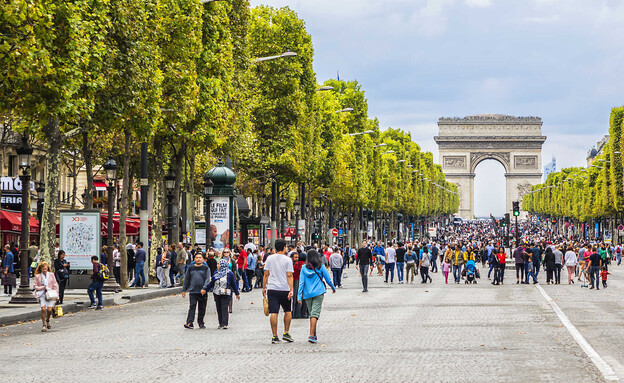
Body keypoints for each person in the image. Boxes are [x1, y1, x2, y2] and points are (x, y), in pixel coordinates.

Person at [297, 249, 336, 344]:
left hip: (307, 294)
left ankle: (314, 335)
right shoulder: (321, 266)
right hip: (318, 292)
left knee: (312, 314)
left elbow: (301, 283)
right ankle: (311, 335)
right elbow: (328, 279)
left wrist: (299, 296)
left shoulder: (303, 268)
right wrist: (333, 287)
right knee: (314, 314)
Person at [262, 239, 295, 344]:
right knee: (287, 311)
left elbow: (266, 274)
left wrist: (264, 287)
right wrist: (291, 289)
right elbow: (289, 275)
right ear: (285, 247)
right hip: (284, 288)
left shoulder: (269, 258)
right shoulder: (288, 260)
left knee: (273, 312)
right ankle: (286, 332)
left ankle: (274, 335)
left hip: (272, 288)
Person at [202, 258, 240, 329]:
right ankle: (220, 323)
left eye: (218, 264)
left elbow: (233, 284)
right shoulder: (216, 273)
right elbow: (212, 283)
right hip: (217, 293)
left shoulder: (229, 274)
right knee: (219, 308)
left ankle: (224, 323)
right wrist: (205, 290)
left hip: (226, 293)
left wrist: (237, 293)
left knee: (224, 307)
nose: (217, 265)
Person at [182, 253, 211, 329]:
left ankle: (201, 322)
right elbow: (187, 279)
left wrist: (204, 288)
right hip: (193, 291)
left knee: (202, 307)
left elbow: (207, 279)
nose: (198, 259)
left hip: (202, 292)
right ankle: (189, 322)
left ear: (202, 259)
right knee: (192, 307)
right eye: (197, 257)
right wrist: (184, 289)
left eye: (200, 257)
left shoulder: (205, 268)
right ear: (194, 259)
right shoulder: (190, 268)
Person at [33, 262, 59, 332]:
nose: (44, 270)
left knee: (49, 309)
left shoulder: (51, 275)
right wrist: (42, 288)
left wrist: (57, 295)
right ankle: (44, 324)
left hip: (50, 294)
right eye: (43, 269)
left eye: (46, 269)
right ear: (40, 269)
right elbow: (35, 286)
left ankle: (48, 320)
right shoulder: (37, 276)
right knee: (43, 309)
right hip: (42, 294)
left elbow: (55, 285)